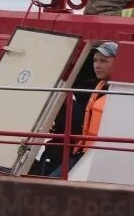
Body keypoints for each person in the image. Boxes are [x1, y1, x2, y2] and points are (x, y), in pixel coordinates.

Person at [49, 41, 118, 177]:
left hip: (101, 156)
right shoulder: (100, 86)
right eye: (95, 60)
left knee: (54, 180)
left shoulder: (120, 92)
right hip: (86, 152)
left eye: (103, 61)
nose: (97, 65)